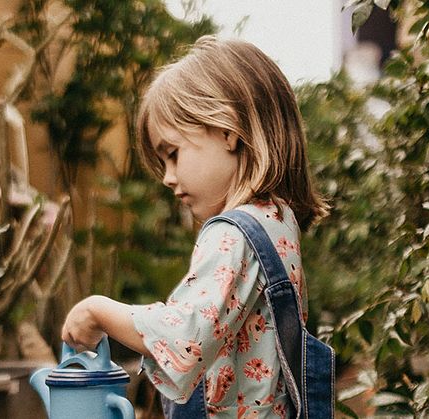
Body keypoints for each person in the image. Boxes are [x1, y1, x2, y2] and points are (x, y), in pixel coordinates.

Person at [61, 35, 329, 418]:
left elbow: (184, 338)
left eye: (173, 154)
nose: (168, 177)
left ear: (228, 130)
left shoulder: (232, 234)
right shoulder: (278, 219)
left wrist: (97, 310)